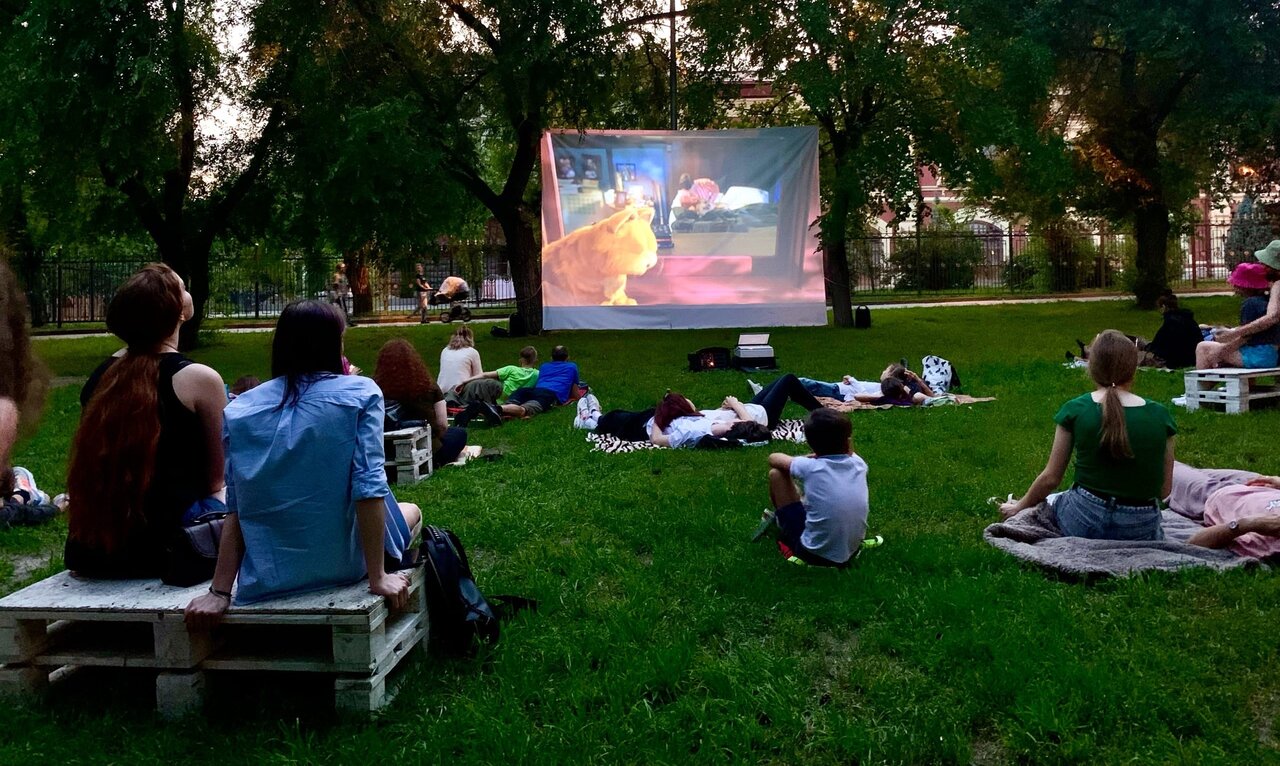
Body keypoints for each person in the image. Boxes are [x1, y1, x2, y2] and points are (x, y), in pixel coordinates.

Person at [185, 301, 417, 626]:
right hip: (344, 563)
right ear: (333, 345)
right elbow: (368, 486)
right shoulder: (361, 393)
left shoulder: (239, 409)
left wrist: (220, 591)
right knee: (410, 511)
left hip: (269, 572)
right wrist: (378, 576)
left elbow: (238, 504)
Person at [64, 264, 228, 578]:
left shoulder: (104, 374)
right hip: (175, 548)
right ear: (179, 312)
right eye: (182, 287)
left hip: (93, 550)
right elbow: (215, 481)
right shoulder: (199, 379)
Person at [999, 330, 1177, 541]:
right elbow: (1164, 489)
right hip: (1141, 527)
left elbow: (1051, 478)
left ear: (1091, 366)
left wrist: (1019, 506)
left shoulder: (1076, 409)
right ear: (1134, 368)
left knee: (1053, 501)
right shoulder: (1160, 415)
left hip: (1085, 520)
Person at [755, 408, 869, 568]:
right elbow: (850, 452)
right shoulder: (859, 464)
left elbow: (773, 458)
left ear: (810, 444)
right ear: (848, 441)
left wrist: (803, 458)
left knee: (777, 474)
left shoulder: (810, 466)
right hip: (851, 549)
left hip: (813, 554)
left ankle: (782, 523)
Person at [373, 338, 468, 469]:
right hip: (429, 452)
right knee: (459, 433)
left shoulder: (374, 389)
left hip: (386, 452)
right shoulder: (429, 386)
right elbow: (443, 425)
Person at [1171, 465, 1280, 558]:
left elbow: (1194, 542)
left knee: (1164, 463)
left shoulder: (1270, 543)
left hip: (1214, 493)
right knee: (1186, 468)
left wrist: (1250, 524)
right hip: (1259, 483)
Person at [1196, 260, 1280, 369]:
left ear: (1245, 286)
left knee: (1203, 347)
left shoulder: (1250, 304)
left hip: (1259, 357)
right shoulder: (1266, 302)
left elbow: (1245, 336)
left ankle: (1202, 385)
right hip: (1272, 354)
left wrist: (1221, 351)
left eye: (1237, 285)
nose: (1235, 288)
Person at [502, 345, 581, 418]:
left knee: (516, 397)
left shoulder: (544, 366)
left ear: (551, 358)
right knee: (525, 410)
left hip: (533, 390)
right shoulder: (572, 366)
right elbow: (575, 393)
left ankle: (501, 407)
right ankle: (500, 409)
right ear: (567, 358)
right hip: (551, 395)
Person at [451, 345, 539, 407]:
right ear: (535, 360)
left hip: (500, 398)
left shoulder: (511, 369)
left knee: (480, 384)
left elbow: (485, 375)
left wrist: (464, 381)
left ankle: (455, 400)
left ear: (520, 360)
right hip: (517, 400)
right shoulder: (537, 374)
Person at [437, 325, 483, 395]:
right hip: (460, 390)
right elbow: (479, 376)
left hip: (441, 390)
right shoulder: (472, 352)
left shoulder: (445, 350)